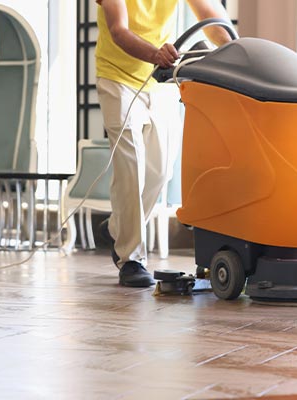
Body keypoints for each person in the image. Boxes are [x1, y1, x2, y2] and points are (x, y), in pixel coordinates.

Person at [95, 0, 233, 287]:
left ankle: (118, 228)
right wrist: (154, 53)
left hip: (159, 79)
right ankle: (131, 258)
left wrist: (238, 49)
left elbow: (210, 14)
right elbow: (118, 30)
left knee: (160, 172)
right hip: (117, 78)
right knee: (131, 166)